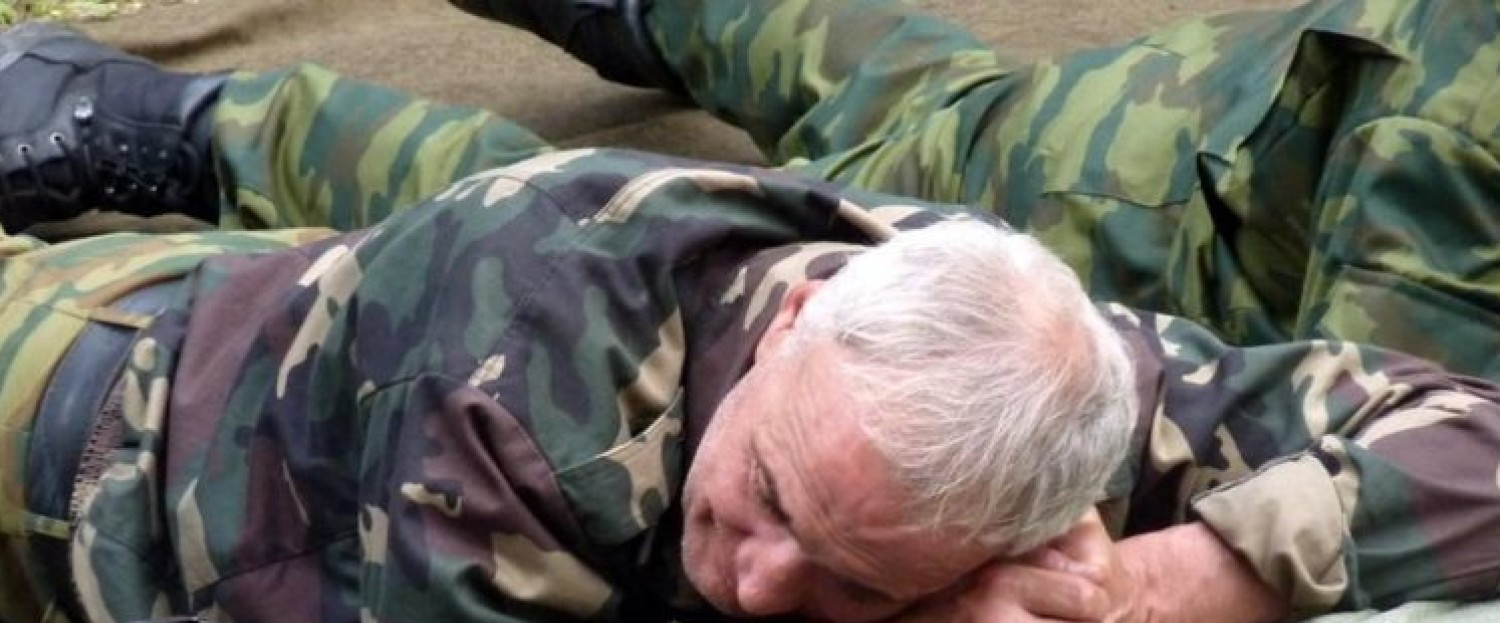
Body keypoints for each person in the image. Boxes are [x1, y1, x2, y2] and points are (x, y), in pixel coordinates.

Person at [2, 25, 1499, 623]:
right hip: (77, 441)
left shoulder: (1045, 388)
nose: (761, 574)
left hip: (299, 334)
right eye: (775, 496)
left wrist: (1149, 589)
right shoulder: (512, 377)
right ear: (795, 317)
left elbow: (1477, 444)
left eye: (853, 574)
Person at [453, 0, 1500, 382]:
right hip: (1034, 223)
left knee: (867, 72)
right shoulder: (1453, 136)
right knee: (599, 240)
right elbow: (1386, 455)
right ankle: (329, 139)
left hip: (1114, 121)